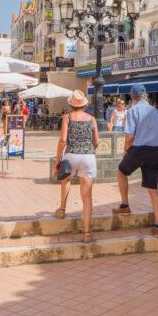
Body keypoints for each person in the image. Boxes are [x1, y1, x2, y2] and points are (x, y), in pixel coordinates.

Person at [113, 84, 158, 237]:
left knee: (121, 171)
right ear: (145, 95)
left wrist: (125, 151)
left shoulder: (132, 111)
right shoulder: (156, 112)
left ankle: (125, 204)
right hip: (154, 152)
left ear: (132, 97)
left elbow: (130, 136)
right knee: (153, 190)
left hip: (138, 150)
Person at [53, 90, 99, 243]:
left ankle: (62, 209)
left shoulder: (67, 117)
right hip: (88, 157)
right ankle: (86, 233)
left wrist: (58, 158)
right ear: (84, 105)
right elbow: (97, 142)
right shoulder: (92, 119)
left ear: (71, 104)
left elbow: (62, 140)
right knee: (87, 198)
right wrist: (88, 149)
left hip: (71, 154)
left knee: (66, 180)